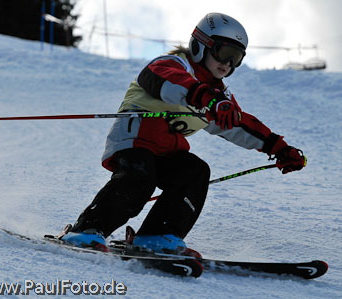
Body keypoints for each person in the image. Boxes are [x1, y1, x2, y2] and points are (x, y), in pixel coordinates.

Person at [62, 12, 306, 254]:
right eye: (224, 53)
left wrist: (279, 148)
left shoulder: (219, 96)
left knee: (194, 172)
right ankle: (86, 230)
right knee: (139, 178)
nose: (228, 64)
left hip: (169, 149)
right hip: (135, 139)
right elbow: (166, 79)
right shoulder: (175, 65)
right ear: (201, 45)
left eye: (236, 58)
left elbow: (239, 124)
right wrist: (205, 97)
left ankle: (157, 235)